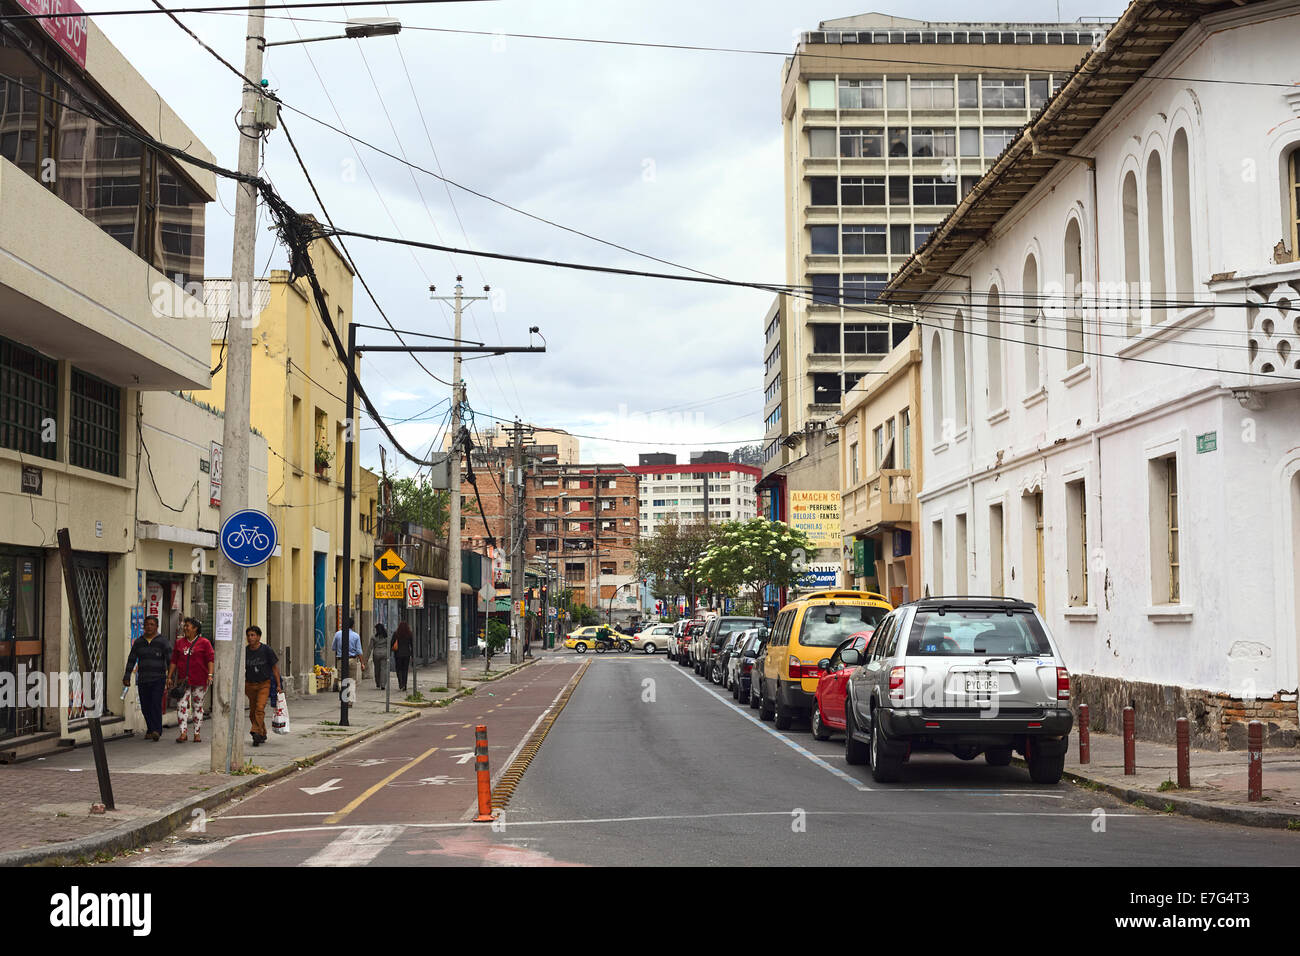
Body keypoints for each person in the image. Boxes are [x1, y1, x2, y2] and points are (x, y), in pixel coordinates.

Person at [123, 615, 171, 740]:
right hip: (143, 679)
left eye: (152, 624)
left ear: (157, 626)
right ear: (143, 627)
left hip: (158, 679)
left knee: (155, 703)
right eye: (147, 624)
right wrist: (127, 676)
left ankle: (157, 730)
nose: (149, 627)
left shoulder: (163, 641)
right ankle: (150, 729)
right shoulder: (139, 642)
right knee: (145, 705)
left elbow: (170, 660)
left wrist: (171, 677)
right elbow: (131, 659)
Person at [167, 617, 214, 743]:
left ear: (195, 628)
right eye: (185, 625)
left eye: (188, 626)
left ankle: (197, 733)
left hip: (200, 680)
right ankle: (183, 733)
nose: (185, 628)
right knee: (181, 705)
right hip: (183, 681)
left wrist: (210, 674)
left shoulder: (205, 642)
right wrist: (169, 676)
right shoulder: (179, 643)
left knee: (197, 706)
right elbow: (174, 661)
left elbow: (210, 659)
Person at [243, 626, 283, 747]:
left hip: (264, 684)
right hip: (249, 685)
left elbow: (274, 668)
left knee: (260, 708)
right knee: (253, 712)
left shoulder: (266, 650)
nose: (250, 638)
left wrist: (278, 685)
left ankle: (255, 731)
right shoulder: (245, 651)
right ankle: (262, 732)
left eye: (253, 635)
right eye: (249, 635)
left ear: (259, 637)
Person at [332, 616, 365, 689]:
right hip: (352, 660)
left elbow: (333, 648)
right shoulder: (356, 636)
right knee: (351, 680)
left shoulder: (337, 634)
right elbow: (359, 651)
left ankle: (343, 696)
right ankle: (350, 696)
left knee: (341, 679)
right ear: (352, 625)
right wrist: (362, 663)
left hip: (341, 660)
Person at [391, 620, 413, 692]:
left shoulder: (396, 634)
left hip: (398, 654)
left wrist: (390, 652)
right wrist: (412, 655)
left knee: (399, 669)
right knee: (405, 670)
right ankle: (404, 684)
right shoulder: (409, 634)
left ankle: (400, 683)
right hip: (407, 654)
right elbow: (412, 645)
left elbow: (392, 643)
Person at [369, 621, 390, 689]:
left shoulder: (373, 637)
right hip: (384, 653)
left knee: (377, 669)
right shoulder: (386, 637)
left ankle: (378, 683)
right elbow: (389, 646)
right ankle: (383, 684)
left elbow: (370, 648)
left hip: (376, 654)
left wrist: (365, 659)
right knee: (384, 669)